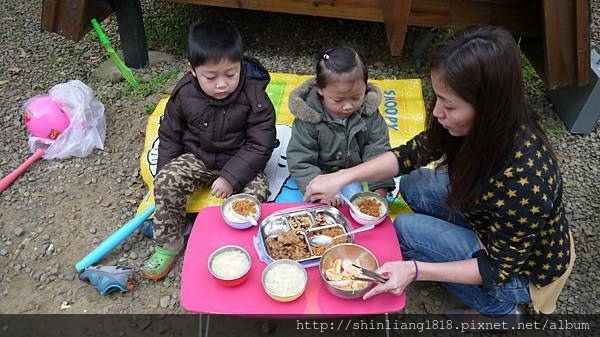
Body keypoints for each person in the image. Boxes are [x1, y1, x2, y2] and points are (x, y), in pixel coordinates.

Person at [304, 26, 574, 327]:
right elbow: (412, 154)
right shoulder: (485, 121)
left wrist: (415, 270)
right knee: (414, 182)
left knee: (405, 229)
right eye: (437, 98)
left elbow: (496, 268)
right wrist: (342, 176)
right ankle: (449, 243)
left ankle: (500, 310)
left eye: (448, 105)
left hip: (521, 270)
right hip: (489, 220)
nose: (436, 112)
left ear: (486, 107)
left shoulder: (525, 180)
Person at [143, 20, 276, 280]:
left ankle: (232, 243)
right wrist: (164, 175)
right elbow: (170, 135)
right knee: (168, 180)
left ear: (240, 65)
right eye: (211, 77)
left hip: (241, 161)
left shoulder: (254, 93)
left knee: (256, 194)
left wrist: (230, 177)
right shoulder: (184, 94)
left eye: (230, 74)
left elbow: (262, 142)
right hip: (198, 157)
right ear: (192, 70)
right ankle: (171, 242)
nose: (222, 84)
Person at [286, 46, 395, 206]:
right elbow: (300, 160)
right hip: (321, 176)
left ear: (366, 86)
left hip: (354, 174)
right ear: (320, 90)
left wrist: (380, 189)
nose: (348, 106)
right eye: (338, 100)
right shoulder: (308, 117)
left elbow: (378, 148)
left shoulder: (369, 112)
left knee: (359, 201)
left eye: (356, 97)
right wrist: (319, 192)